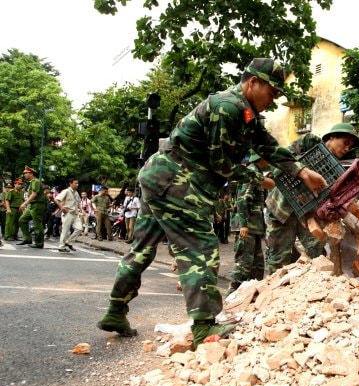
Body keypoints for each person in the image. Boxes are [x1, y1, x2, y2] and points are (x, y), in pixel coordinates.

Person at [96, 57, 327, 348]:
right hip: (175, 181)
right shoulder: (228, 108)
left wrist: (302, 170)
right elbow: (221, 164)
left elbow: (267, 145)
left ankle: (116, 311)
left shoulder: (246, 113)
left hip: (161, 178)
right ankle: (204, 326)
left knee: (142, 249)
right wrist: (257, 178)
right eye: (272, 92)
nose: (273, 100)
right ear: (252, 82)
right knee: (200, 247)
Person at [265, 122, 359, 274]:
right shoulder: (310, 142)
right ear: (332, 136)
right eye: (345, 143)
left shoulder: (335, 168)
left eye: (350, 147)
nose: (347, 149)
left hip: (307, 215)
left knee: (318, 257)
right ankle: (273, 295)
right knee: (279, 261)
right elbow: (283, 158)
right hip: (282, 209)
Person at [227, 151, 268, 295]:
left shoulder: (257, 173)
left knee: (257, 268)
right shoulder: (251, 173)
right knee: (244, 266)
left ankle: (249, 302)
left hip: (254, 227)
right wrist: (243, 224)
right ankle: (228, 300)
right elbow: (243, 200)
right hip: (248, 228)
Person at [17, 166, 47, 248]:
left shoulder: (36, 181)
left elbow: (34, 194)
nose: (24, 175)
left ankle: (39, 243)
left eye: (26, 173)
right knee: (22, 220)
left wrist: (24, 204)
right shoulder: (31, 182)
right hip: (32, 205)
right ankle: (27, 239)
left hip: (37, 205)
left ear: (31, 173)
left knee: (37, 224)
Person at [54, 178, 83, 252]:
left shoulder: (76, 192)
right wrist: (62, 207)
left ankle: (69, 242)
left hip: (75, 213)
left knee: (79, 229)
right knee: (65, 231)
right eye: (75, 183)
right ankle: (61, 247)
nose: (77, 185)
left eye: (77, 183)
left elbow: (78, 202)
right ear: (70, 183)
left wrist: (82, 210)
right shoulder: (66, 191)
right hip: (68, 213)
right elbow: (56, 199)